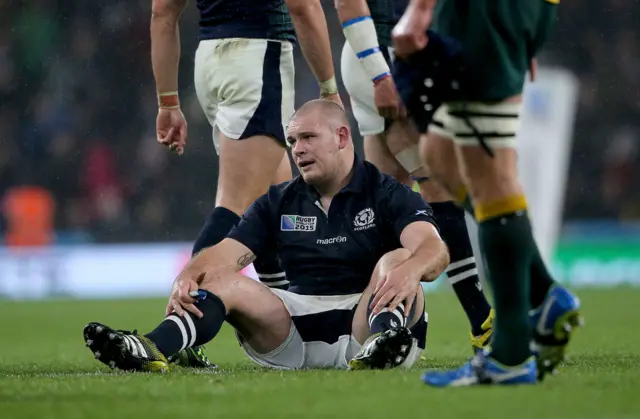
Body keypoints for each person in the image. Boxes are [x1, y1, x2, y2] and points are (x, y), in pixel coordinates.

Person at [82, 99, 449, 372]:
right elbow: (225, 254)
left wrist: (410, 270)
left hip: (364, 323)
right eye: (292, 141)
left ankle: (385, 343)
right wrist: (188, 276)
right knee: (221, 278)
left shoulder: (386, 191)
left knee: (397, 259)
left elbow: (434, 250)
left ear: (341, 137)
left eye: (307, 137)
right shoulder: (278, 201)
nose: (298, 149)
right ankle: (149, 348)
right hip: (294, 335)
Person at [391, 0, 582, 386]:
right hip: (492, 14)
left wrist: (422, 6)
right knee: (440, 155)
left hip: (486, 12)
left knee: (489, 171)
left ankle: (510, 357)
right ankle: (543, 295)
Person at [148, 0, 341, 366]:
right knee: (235, 208)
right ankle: (174, 333)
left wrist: (168, 102)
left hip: (210, 60)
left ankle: (294, 328)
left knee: (275, 203)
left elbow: (162, 12)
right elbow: (303, 6)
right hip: (258, 55)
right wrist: (329, 90)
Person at [335, 0, 495, 353]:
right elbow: (347, 3)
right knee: (440, 185)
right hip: (381, 58)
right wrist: (381, 76)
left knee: (388, 201)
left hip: (380, 55)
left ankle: (380, 324)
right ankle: (482, 322)